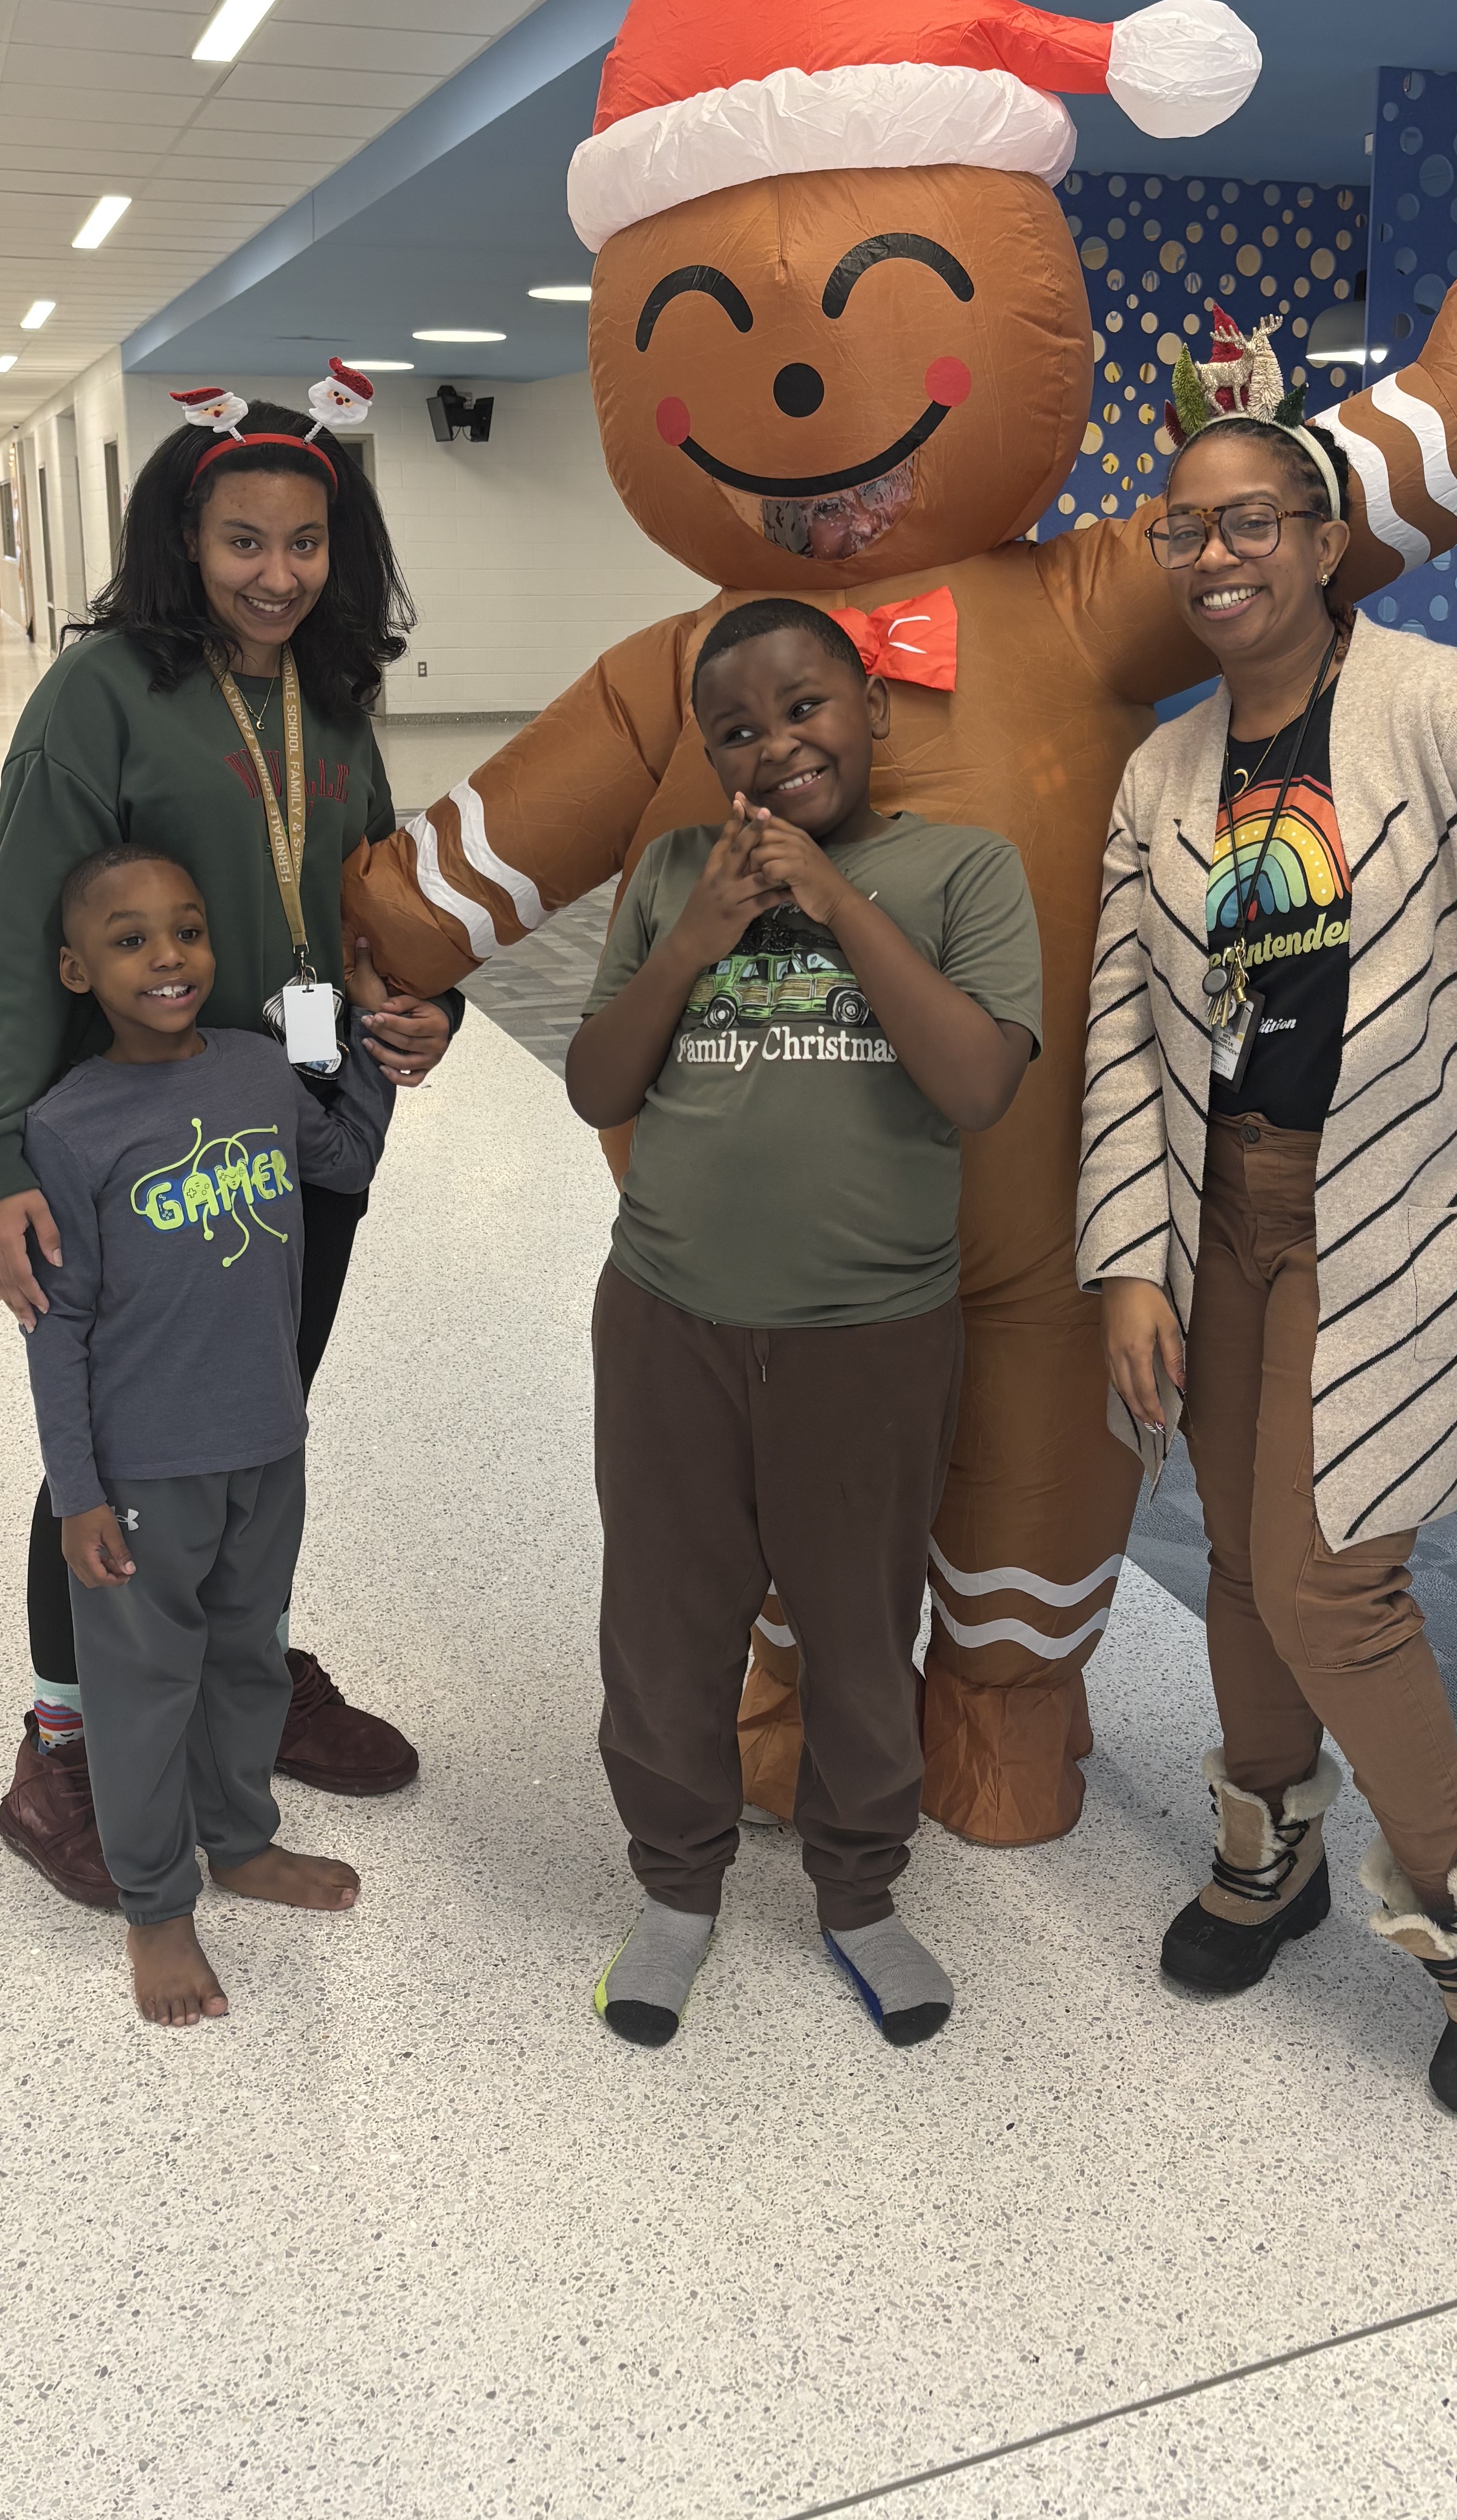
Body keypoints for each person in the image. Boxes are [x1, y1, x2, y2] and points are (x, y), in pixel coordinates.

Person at [1077, 384, 1457, 2119]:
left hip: (1394, 1217)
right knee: (1243, 1562)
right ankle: (1267, 1848)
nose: (1212, 555)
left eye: (1248, 522)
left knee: (1333, 1580)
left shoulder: (1432, 706)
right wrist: (1129, 1259)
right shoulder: (1167, 766)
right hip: (1223, 1217)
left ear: (1324, 541)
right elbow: (1130, 1030)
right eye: (1181, 528)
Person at [0, 369, 461, 1913]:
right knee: (125, 1439)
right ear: (186, 534)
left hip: (285, 1132)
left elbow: (349, 907)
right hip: (135, 1151)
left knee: (251, 1424)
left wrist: (398, 1015)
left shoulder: (337, 690)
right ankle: (65, 1749)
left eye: (307, 543)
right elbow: (20, 928)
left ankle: (238, 1665)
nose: (277, 575)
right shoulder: (99, 695)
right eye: (244, 540)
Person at [567, 597, 1043, 2049]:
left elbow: (974, 1084)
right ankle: (675, 1889)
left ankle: (858, 1890)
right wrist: (700, 930)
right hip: (670, 1322)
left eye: (806, 709)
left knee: (856, 1627)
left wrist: (836, 906)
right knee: (663, 1623)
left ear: (874, 713)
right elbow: (599, 1084)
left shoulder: (961, 870)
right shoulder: (668, 876)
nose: (776, 747)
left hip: (870, 1336)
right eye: (738, 730)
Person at [25, 844, 393, 2023]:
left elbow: (346, 1159)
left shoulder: (253, 1071)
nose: (169, 957)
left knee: (247, 1660)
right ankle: (154, 1903)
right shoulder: (70, 1125)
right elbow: (58, 1322)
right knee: (141, 1687)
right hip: (143, 1471)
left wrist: (378, 1049)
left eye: (186, 930)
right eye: (129, 940)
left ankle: (238, 1841)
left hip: (266, 1444)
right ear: (78, 970)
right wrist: (77, 1489)